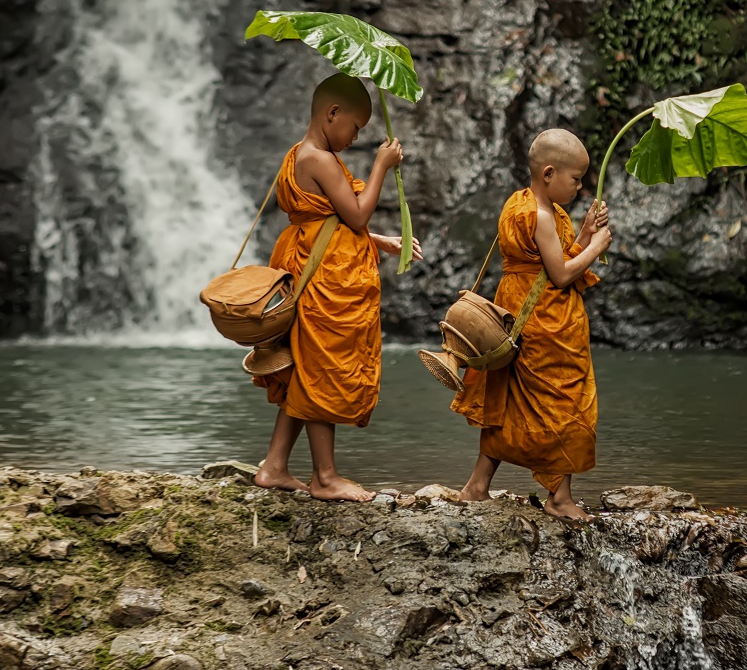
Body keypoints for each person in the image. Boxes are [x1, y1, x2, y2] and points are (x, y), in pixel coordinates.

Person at [251, 72, 420, 502]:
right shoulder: (321, 160)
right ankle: (325, 477)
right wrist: (381, 166)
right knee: (322, 368)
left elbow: (330, 217)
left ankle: (274, 466)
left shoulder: (297, 154)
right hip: (322, 276)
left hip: (306, 260)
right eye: (354, 127)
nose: (355, 136)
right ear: (331, 114)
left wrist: (380, 242)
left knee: (303, 368)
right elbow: (358, 215)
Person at [451, 129, 612, 519]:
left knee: (509, 402)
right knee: (566, 400)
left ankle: (476, 486)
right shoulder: (541, 216)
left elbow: (545, 260)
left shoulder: (519, 203)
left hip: (517, 308)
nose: (579, 187)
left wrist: (585, 230)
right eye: (575, 179)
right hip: (545, 319)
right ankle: (560, 498)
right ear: (549, 173)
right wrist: (595, 248)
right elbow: (559, 274)